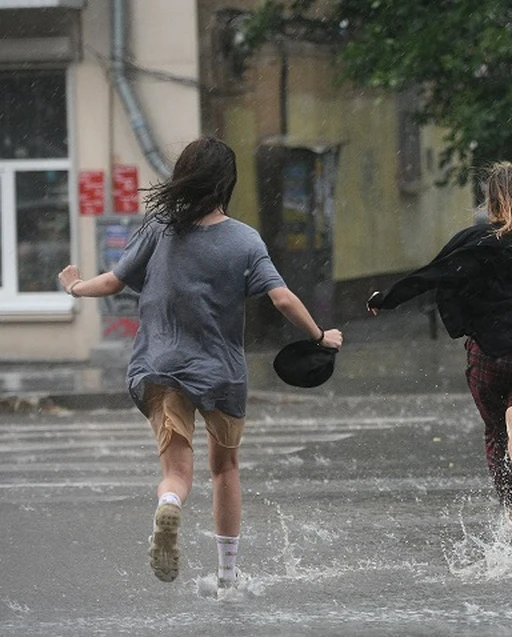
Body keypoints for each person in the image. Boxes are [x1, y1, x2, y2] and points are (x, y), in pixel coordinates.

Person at [57, 137, 343, 586]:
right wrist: (320, 336)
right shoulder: (244, 239)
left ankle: (169, 505)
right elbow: (282, 297)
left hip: (159, 367)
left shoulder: (159, 228)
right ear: (226, 183)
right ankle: (227, 575)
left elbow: (112, 282)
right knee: (225, 468)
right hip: (221, 373)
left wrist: (74, 287)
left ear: (183, 176)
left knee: (177, 471)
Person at [366, 161, 512, 524]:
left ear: (491, 200)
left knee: (496, 438)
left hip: (485, 356)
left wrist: (385, 297)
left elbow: (430, 276)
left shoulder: (471, 241)